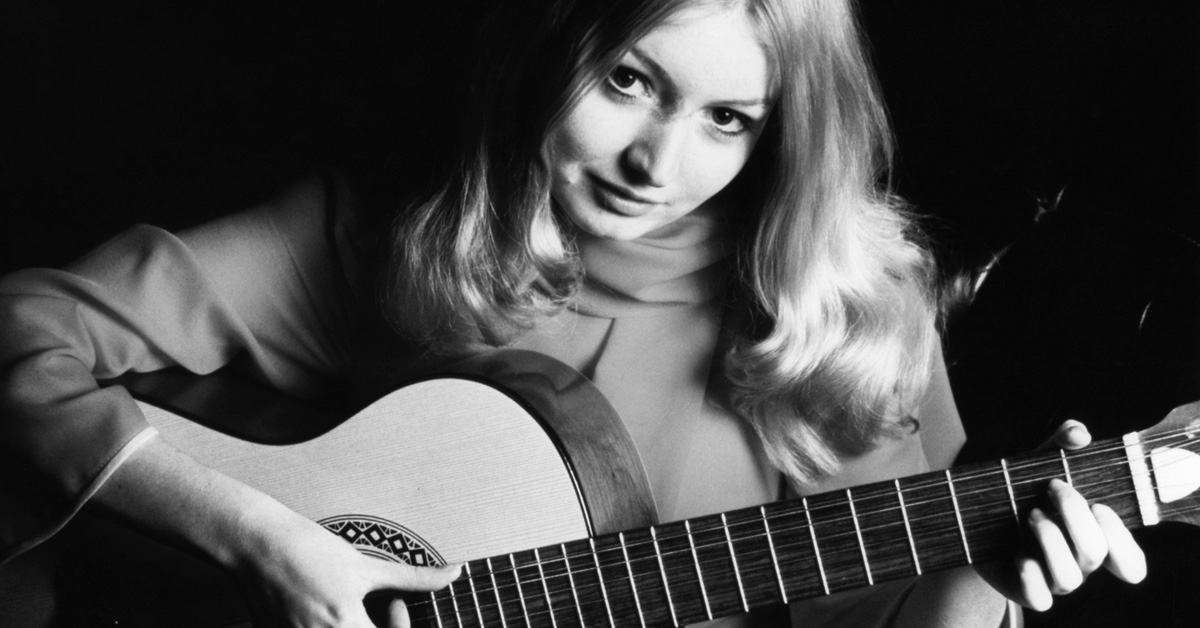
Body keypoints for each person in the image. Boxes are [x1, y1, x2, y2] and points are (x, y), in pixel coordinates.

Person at [0, 0, 1147, 626]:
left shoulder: (848, 317)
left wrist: (987, 577)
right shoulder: (386, 235)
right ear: (551, 46)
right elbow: (26, 331)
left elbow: (886, 619)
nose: (659, 163)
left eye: (729, 120)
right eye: (630, 81)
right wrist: (262, 538)